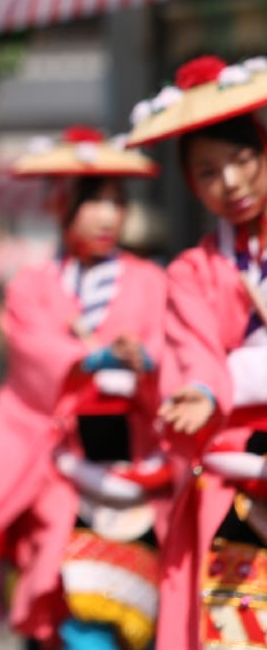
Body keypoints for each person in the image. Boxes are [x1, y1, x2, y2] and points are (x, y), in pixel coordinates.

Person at [0, 126, 168, 650]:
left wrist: (150, 361)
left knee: (132, 613)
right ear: (61, 201)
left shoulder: (149, 281)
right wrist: (87, 358)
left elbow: (173, 354)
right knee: (57, 608)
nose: (108, 217)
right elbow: (31, 358)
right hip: (56, 467)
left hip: (132, 463)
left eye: (117, 203)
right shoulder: (33, 283)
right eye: (94, 202)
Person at [126, 56, 267, 649]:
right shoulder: (191, 271)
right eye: (208, 173)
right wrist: (205, 391)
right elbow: (195, 351)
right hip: (236, 485)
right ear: (190, 185)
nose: (230, 184)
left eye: (241, 161)